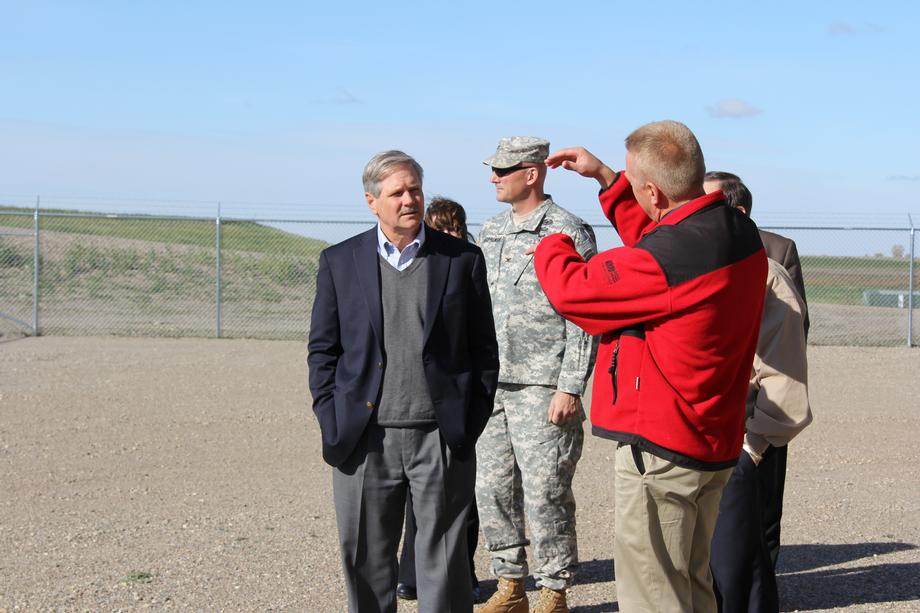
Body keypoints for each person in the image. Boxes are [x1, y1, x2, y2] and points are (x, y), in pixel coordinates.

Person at [533, 120, 768, 612]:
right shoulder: (735, 232)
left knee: (654, 595)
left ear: (655, 193)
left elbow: (577, 291)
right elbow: (662, 243)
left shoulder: (672, 259)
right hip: (710, 443)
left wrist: (550, 238)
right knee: (692, 585)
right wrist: (607, 179)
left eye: (637, 184)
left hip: (664, 453)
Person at [307, 150, 499, 613]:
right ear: (372, 201)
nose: (409, 199)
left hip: (440, 436)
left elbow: (483, 351)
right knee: (368, 561)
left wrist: (466, 424)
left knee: (446, 565)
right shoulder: (340, 262)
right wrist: (333, 419)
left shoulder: (461, 260)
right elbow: (323, 351)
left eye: (415, 189)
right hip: (365, 439)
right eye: (397, 193)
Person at [475, 136, 598, 613]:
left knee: (546, 491)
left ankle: (554, 589)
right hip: (493, 386)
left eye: (503, 171)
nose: (493, 179)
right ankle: (509, 586)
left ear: (531, 173)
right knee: (492, 487)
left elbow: (585, 313)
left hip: (544, 385)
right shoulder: (489, 232)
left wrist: (570, 385)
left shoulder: (566, 231)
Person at [704, 174, 812, 613]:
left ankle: (763, 587)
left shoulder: (777, 252)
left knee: (764, 506)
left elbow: (794, 325)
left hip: (761, 403)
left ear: (738, 210)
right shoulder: (695, 247)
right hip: (717, 415)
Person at [397, 196, 483, 604]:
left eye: (455, 226)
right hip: (413, 406)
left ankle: (462, 573)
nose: (449, 233)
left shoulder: (469, 262)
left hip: (456, 403)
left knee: (461, 503)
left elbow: (482, 342)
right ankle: (410, 573)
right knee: (416, 503)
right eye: (440, 226)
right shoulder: (423, 264)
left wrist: (473, 409)